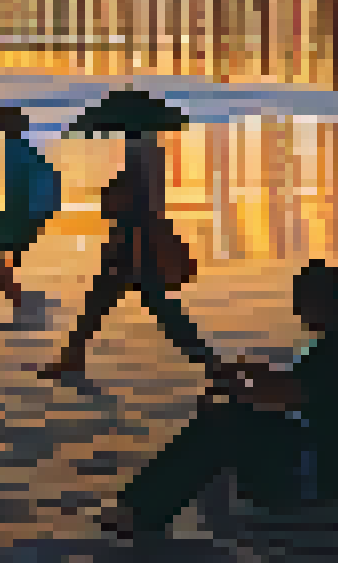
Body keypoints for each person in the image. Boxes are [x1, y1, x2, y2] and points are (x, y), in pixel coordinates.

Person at [102, 260, 338, 538]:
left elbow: (287, 395)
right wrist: (246, 375)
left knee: (224, 423)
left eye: (299, 302)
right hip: (327, 460)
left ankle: (140, 511)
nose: (296, 311)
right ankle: (140, 506)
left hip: (323, 475)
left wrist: (235, 389)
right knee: (227, 417)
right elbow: (297, 389)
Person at [41, 106, 220, 382]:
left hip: (133, 240)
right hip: (138, 239)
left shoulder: (140, 152)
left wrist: (113, 194)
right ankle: (71, 359)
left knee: (129, 304)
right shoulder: (150, 149)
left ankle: (213, 365)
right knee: (130, 304)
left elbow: (137, 201)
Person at [0, 106, 60, 330]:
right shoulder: (23, 149)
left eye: (2, 121)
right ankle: (24, 301)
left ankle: (23, 306)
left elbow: (20, 187)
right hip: (30, 211)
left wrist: (24, 215)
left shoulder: (16, 150)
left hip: (24, 211)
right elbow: (50, 179)